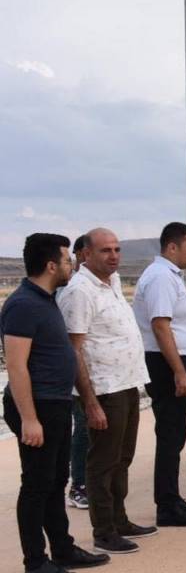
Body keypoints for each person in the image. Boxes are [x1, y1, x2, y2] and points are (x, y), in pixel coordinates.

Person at [2, 233, 110, 571]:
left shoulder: (46, 299)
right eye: (67, 260)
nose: (71, 265)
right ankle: (36, 561)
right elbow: (16, 367)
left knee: (55, 482)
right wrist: (29, 418)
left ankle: (63, 550)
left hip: (57, 403)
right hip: (38, 406)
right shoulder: (22, 304)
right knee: (36, 485)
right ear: (51, 265)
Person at [57, 228, 157, 555]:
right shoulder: (79, 291)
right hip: (103, 389)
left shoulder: (111, 283)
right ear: (85, 254)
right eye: (105, 250)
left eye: (117, 249)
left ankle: (120, 519)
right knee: (102, 462)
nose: (113, 255)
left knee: (122, 459)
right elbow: (74, 350)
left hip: (126, 383)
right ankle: (104, 530)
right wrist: (89, 402)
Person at [132, 222, 186, 527]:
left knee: (175, 435)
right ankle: (166, 506)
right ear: (172, 247)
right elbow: (161, 326)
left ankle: (173, 498)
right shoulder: (161, 277)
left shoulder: (169, 276)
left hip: (175, 361)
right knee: (170, 434)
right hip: (167, 364)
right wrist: (179, 371)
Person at [65, 234, 90, 512]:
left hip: (95, 374)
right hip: (77, 373)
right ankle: (78, 486)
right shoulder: (72, 286)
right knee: (82, 429)